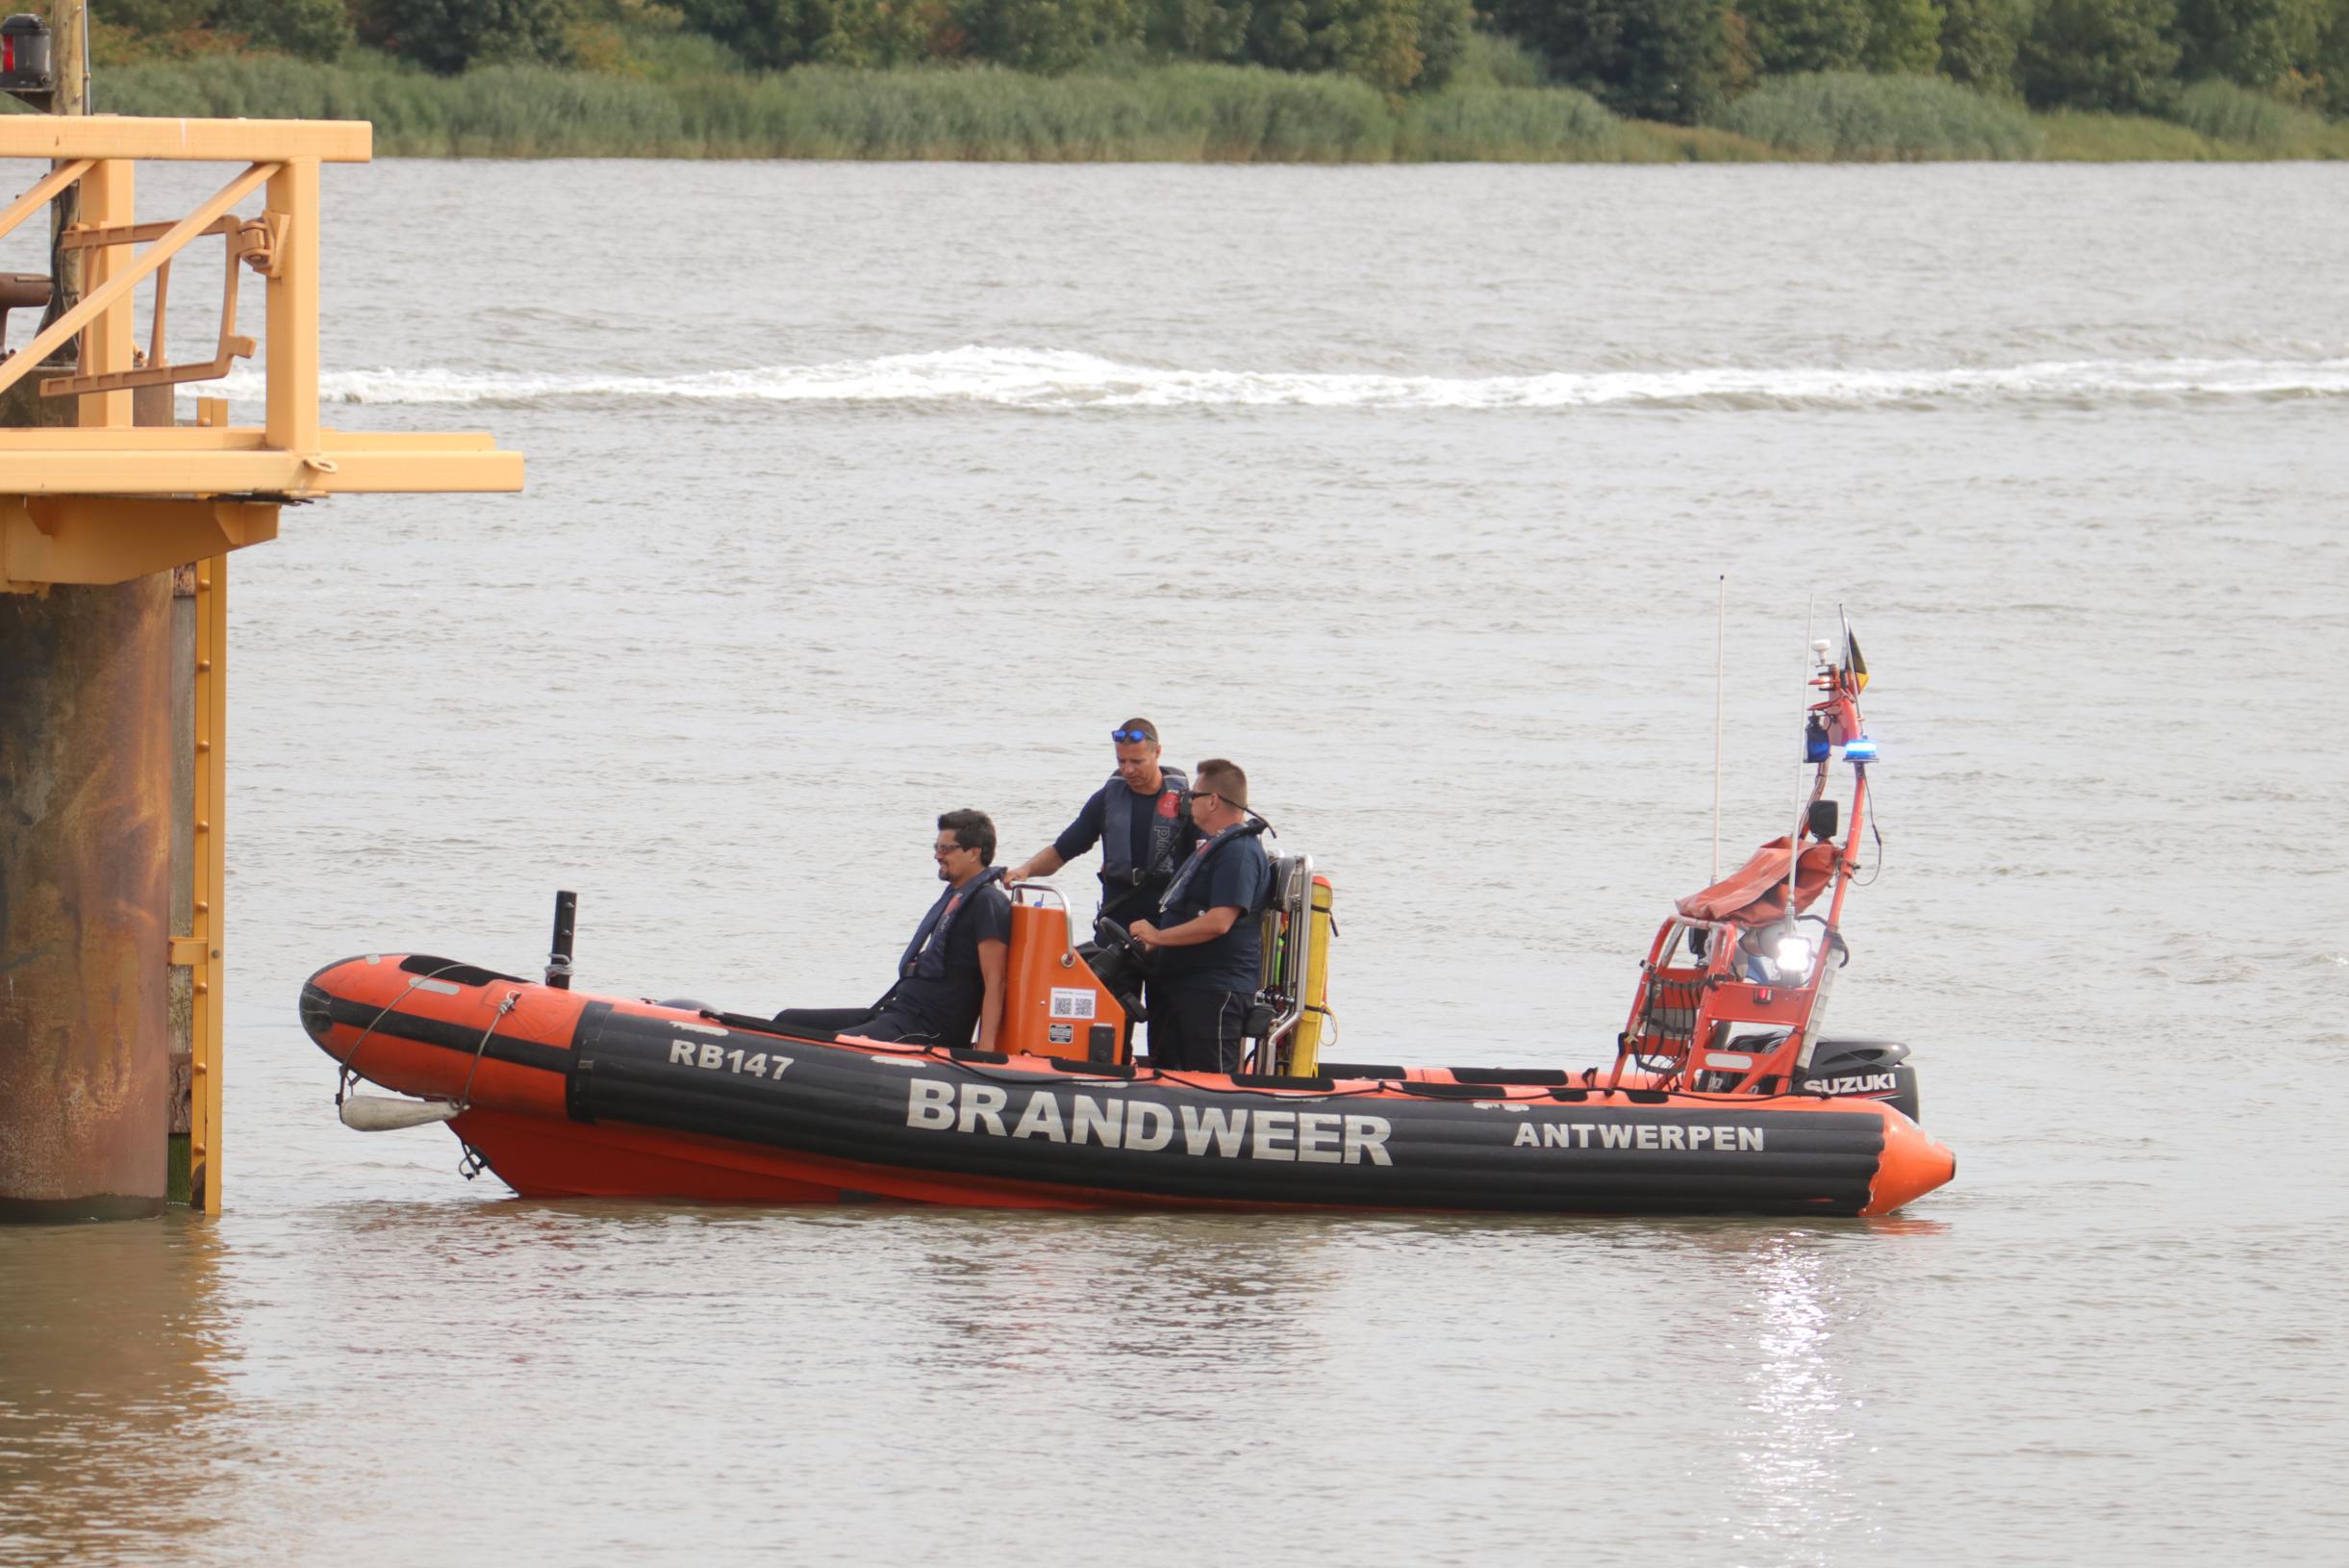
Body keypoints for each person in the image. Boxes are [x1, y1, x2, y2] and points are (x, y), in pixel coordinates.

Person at [772, 810, 1011, 1050]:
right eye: (936, 847)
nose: (937, 855)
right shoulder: (955, 897)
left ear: (974, 853)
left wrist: (985, 1051)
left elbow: (995, 980)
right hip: (897, 1012)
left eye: (946, 849)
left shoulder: (987, 902)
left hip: (926, 1028)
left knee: (827, 1048)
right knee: (787, 1020)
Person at [1128, 759, 1270, 1074]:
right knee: (1173, 1070)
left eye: (1193, 796)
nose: (1187, 802)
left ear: (1213, 800)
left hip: (1215, 990)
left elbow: (1220, 921)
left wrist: (1159, 936)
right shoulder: (1215, 846)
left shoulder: (1240, 852)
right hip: (1186, 986)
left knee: (1211, 1081)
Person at [998, 719, 1196, 929]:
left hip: (1167, 918)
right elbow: (1061, 852)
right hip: (1116, 915)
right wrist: (1026, 870)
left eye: (1137, 762)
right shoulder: (1106, 801)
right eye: (1121, 761)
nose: (1128, 770)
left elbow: (1209, 861)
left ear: (1157, 752)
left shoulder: (1188, 804)